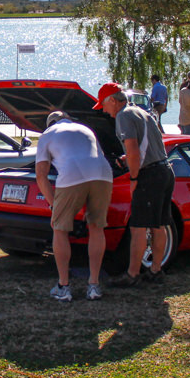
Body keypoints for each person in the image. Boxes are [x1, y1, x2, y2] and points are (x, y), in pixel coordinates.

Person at [95, 83, 174, 286]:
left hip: (149, 175)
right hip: (165, 171)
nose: (104, 111)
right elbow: (144, 146)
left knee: (138, 226)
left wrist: (133, 177)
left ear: (113, 100)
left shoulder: (123, 116)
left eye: (103, 105)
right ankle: (156, 270)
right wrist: (127, 158)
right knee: (160, 224)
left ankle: (132, 274)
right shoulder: (141, 112)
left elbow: (133, 149)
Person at [34, 111, 114, 302]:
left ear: (49, 124)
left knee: (60, 229)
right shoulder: (85, 129)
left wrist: (54, 205)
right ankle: (93, 285)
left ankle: (63, 286)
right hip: (103, 173)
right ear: (68, 119)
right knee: (96, 227)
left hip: (72, 174)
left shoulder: (47, 135)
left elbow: (41, 174)